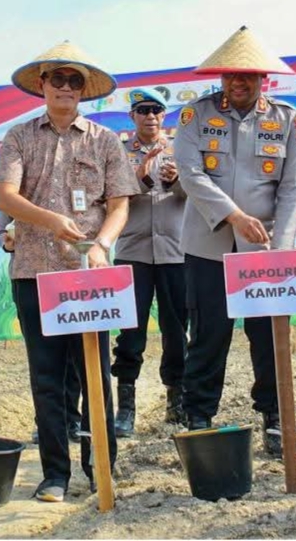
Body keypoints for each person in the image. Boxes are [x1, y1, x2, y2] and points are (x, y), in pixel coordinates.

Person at [0, 40, 139, 502]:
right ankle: (55, 474)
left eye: (74, 81)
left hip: (89, 276)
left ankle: (101, 470)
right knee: (47, 376)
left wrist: (101, 245)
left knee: (95, 370)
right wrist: (51, 220)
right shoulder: (18, 137)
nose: (65, 87)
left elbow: (119, 205)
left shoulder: (105, 140)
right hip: (34, 272)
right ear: (42, 85)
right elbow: (6, 198)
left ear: (83, 91)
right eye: (57, 79)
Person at [174, 26, 296, 456]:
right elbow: (190, 174)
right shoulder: (196, 117)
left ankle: (274, 417)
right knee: (209, 334)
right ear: (222, 78)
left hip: (264, 251)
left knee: (267, 336)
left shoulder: (288, 120)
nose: (240, 81)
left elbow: (292, 188)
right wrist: (233, 215)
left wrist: (281, 248)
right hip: (208, 245)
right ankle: (198, 416)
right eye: (233, 74)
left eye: (249, 75)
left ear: (263, 79)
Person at [111, 87, 187, 437]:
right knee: (130, 332)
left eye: (156, 110)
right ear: (132, 117)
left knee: (177, 331)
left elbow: (197, 193)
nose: (150, 116)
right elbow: (112, 196)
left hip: (175, 253)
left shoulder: (181, 148)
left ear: (165, 114)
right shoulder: (118, 152)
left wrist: (178, 181)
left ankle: (177, 400)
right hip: (133, 253)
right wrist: (141, 174)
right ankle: (125, 408)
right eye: (143, 110)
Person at [0, 212, 82, 445]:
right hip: (30, 276)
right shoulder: (14, 189)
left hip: (71, 274)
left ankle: (72, 417)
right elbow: (2, 228)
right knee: (42, 358)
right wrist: (6, 241)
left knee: (74, 352)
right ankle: (46, 421)